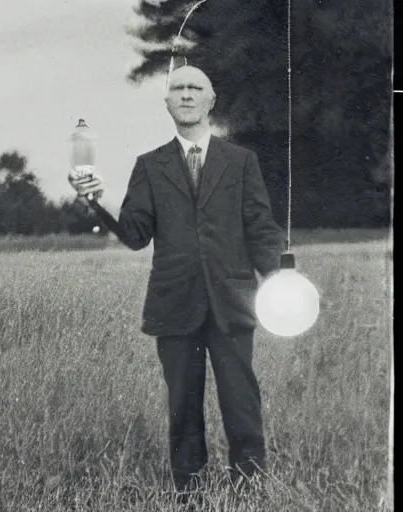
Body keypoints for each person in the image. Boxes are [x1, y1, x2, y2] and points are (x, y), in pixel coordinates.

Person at [68, 65, 285, 494]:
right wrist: (98, 199)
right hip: (174, 305)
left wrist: (282, 277)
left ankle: (250, 486)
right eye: (178, 89)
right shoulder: (149, 166)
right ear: (167, 103)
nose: (186, 95)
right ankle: (190, 491)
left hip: (233, 300)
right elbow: (134, 234)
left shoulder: (242, 161)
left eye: (195, 88)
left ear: (211, 100)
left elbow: (260, 227)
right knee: (182, 404)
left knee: (241, 400)